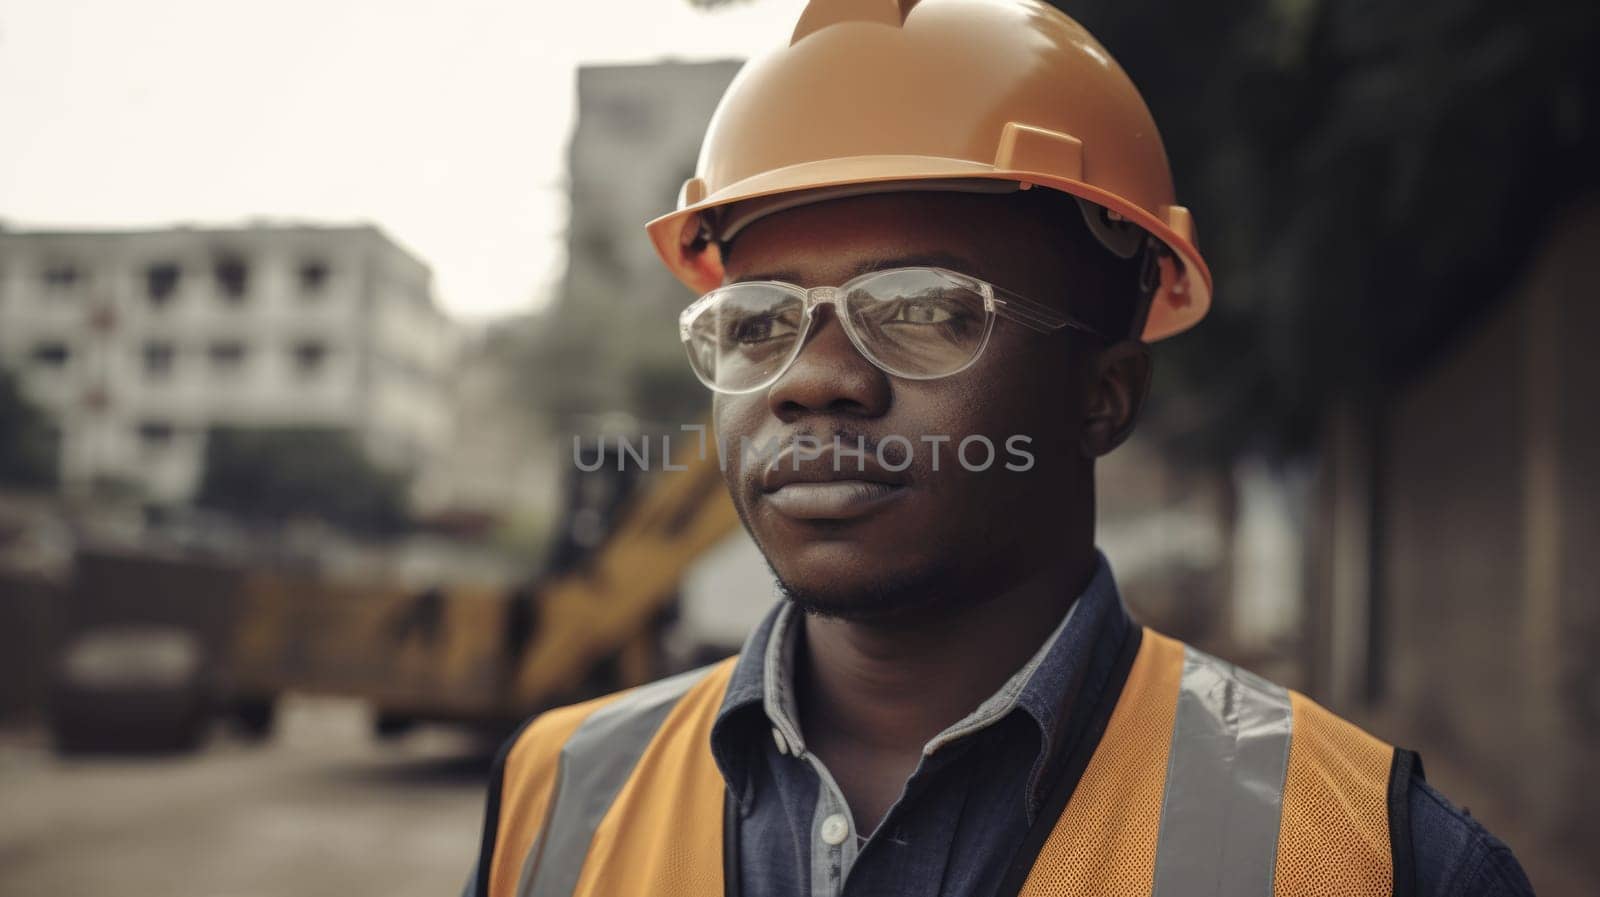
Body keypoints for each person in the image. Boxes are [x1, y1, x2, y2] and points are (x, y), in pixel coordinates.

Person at [466, 1, 1536, 895]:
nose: (811, 377)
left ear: (1102, 394)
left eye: (924, 310)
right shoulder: (558, 798)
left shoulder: (1369, 858)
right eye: (755, 322)